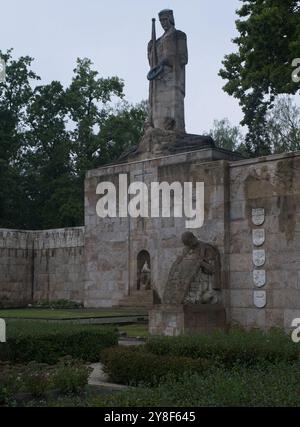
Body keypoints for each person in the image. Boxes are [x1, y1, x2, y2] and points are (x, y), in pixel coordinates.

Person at [147, 9, 188, 132]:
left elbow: (183, 58)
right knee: (157, 110)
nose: (163, 23)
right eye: (161, 21)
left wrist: (167, 59)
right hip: (158, 80)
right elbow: (152, 63)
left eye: (165, 20)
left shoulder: (179, 35)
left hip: (173, 77)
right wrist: (150, 50)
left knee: (173, 111)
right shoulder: (157, 42)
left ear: (171, 19)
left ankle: (175, 130)